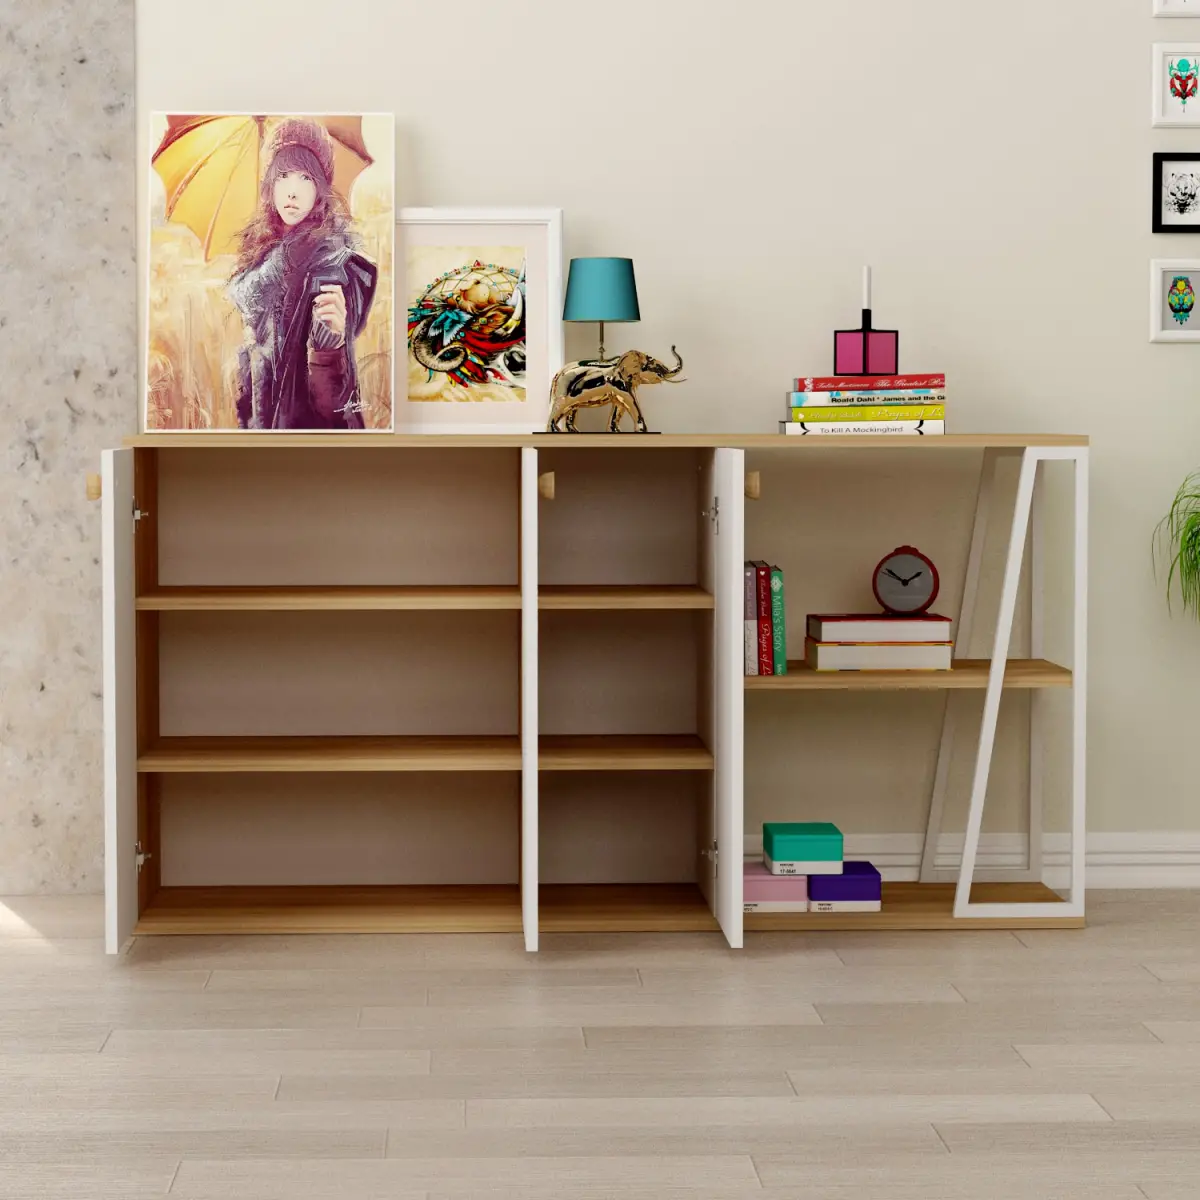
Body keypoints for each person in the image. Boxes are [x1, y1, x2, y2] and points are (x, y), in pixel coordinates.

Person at [228, 119, 377, 429]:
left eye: (305, 178)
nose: (292, 192)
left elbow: (334, 407)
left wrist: (329, 347)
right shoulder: (260, 257)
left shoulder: (335, 263)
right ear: (269, 184)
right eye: (282, 176)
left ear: (321, 187)